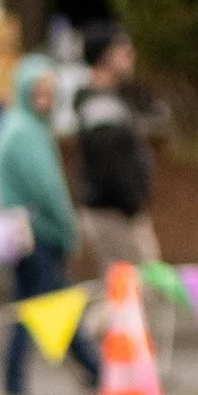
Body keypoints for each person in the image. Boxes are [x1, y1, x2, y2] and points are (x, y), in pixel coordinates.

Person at [0, 59, 102, 395]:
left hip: (22, 236)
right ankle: (98, 371)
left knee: (31, 311)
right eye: (37, 92)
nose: (45, 99)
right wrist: (68, 230)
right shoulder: (25, 133)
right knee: (59, 308)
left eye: (49, 92)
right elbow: (48, 190)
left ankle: (14, 381)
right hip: (37, 236)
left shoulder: (12, 126)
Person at [75, 25, 160, 274]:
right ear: (104, 56)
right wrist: (130, 203)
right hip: (115, 215)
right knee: (140, 291)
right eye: (122, 48)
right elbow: (109, 169)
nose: (130, 53)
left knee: (127, 295)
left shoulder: (112, 100)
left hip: (119, 212)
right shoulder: (100, 109)